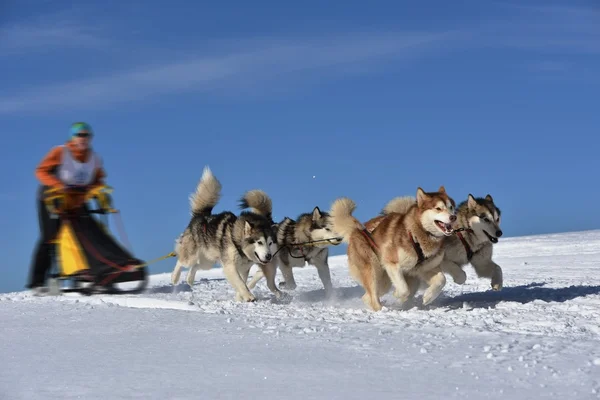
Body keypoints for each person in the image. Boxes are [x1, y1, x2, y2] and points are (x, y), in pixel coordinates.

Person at [27, 122, 106, 293]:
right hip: (52, 198)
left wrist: (95, 191)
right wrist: (58, 185)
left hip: (77, 199)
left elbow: (99, 179)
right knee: (50, 237)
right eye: (79, 135)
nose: (83, 138)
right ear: (72, 137)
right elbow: (41, 171)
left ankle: (84, 274)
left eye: (86, 135)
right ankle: (37, 282)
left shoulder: (94, 158)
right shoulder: (60, 152)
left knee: (88, 233)